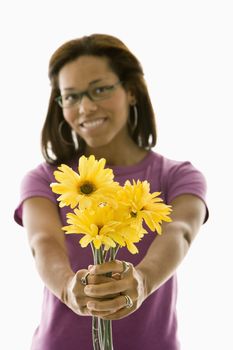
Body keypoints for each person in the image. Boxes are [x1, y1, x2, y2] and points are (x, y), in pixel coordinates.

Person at [14, 34, 208, 350]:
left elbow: (179, 232)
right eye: (71, 96)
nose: (86, 107)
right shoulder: (45, 179)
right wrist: (67, 288)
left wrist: (142, 281)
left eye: (100, 89)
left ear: (131, 91)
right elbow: (43, 241)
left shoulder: (178, 176)